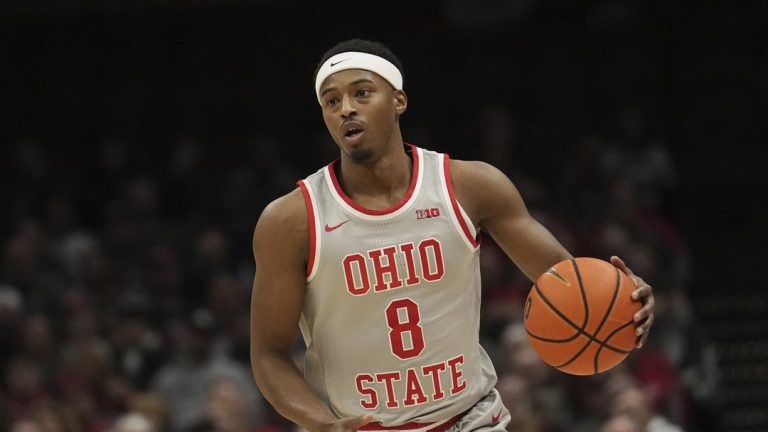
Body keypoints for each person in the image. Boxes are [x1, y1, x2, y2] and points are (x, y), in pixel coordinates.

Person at [249, 39, 655, 432]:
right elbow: (268, 354)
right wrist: (320, 424)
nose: (346, 109)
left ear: (398, 101)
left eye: (362, 93)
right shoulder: (292, 220)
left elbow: (570, 283)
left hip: (470, 419)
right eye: (332, 101)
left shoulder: (468, 185)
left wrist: (623, 300)